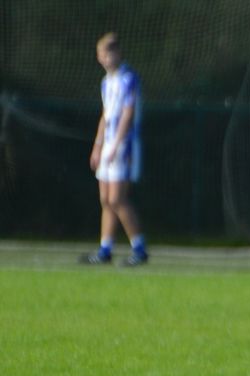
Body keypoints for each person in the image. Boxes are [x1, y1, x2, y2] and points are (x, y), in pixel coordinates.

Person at [81, 33, 148, 267]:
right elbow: (105, 116)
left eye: (110, 53)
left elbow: (127, 114)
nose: (106, 59)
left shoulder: (128, 79)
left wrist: (116, 144)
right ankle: (105, 249)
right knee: (105, 199)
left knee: (117, 199)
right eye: (102, 54)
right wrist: (98, 146)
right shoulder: (105, 82)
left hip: (125, 144)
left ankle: (140, 249)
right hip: (108, 144)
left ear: (119, 53)